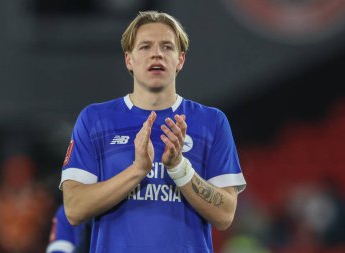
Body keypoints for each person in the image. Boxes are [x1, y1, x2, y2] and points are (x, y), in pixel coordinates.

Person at [60, 10, 246, 253]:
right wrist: (137, 170)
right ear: (129, 59)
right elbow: (74, 209)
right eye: (145, 46)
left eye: (167, 47)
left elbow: (225, 215)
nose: (156, 53)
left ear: (180, 60)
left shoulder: (212, 122)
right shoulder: (95, 119)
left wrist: (179, 168)